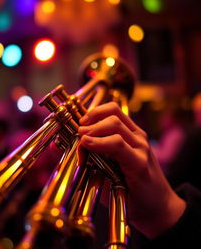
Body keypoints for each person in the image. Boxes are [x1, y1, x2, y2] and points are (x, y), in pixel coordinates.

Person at [78, 102, 201, 249]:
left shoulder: (180, 133)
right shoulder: (177, 132)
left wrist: (164, 207)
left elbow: (168, 159)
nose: (163, 119)